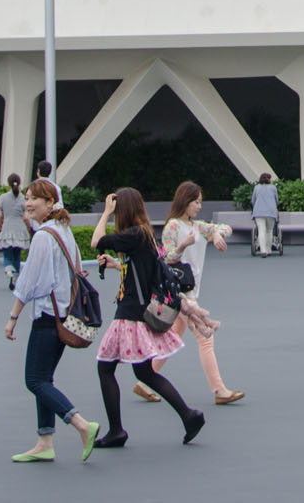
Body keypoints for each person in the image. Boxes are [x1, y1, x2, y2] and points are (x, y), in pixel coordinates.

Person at [89, 188, 204, 447]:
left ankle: (117, 430)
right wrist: (117, 264)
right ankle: (188, 415)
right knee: (144, 373)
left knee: (105, 367)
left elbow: (96, 241)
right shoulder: (144, 234)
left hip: (129, 314)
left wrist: (106, 212)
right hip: (138, 311)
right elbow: (144, 270)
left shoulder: (133, 235)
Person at [4, 178, 100, 462]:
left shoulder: (45, 236)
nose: (28, 203)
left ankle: (82, 425)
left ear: (50, 203)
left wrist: (12, 318)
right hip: (64, 314)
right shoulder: (64, 230)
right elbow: (79, 267)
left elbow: (30, 282)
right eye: (28, 197)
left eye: (35, 198)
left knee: (34, 380)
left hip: (48, 315)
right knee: (44, 378)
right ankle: (45, 442)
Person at [153, 181, 242, 405]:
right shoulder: (173, 226)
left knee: (172, 337)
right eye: (196, 202)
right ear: (185, 201)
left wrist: (218, 235)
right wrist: (183, 246)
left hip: (190, 291)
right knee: (205, 338)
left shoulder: (196, 226)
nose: (199, 206)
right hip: (180, 294)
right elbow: (166, 258)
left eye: (200, 202)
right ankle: (219, 390)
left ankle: (145, 379)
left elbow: (224, 228)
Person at [0, 175, 28, 279]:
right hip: (20, 228)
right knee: (17, 255)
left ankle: (9, 271)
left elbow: (0, 216)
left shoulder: (3, 197)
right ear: (19, 183)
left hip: (8, 226)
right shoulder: (23, 198)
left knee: (7, 254)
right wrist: (28, 227)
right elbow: (26, 217)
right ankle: (16, 276)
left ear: (9, 183)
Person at [250, 173, 280, 257]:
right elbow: (276, 200)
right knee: (269, 231)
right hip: (271, 212)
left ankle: (263, 251)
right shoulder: (273, 188)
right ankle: (268, 249)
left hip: (259, 212)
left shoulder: (256, 187)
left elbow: (253, 200)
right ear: (268, 179)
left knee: (261, 230)